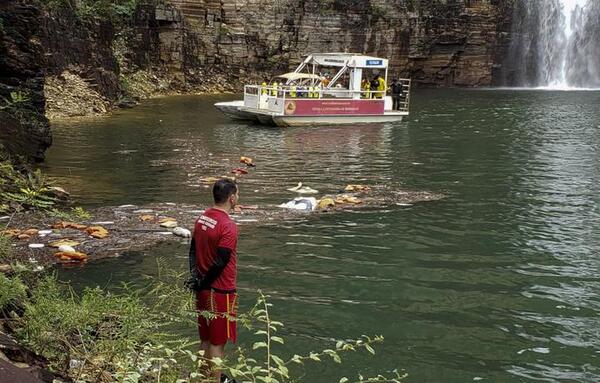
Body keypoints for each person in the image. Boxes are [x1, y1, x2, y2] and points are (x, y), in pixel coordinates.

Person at [187, 178, 240, 383]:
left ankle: (203, 379)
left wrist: (196, 278)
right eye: (238, 194)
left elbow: (192, 251)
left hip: (202, 288)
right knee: (218, 343)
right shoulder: (228, 225)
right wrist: (206, 282)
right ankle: (215, 381)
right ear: (232, 198)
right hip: (221, 291)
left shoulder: (202, 218)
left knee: (205, 339)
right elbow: (221, 261)